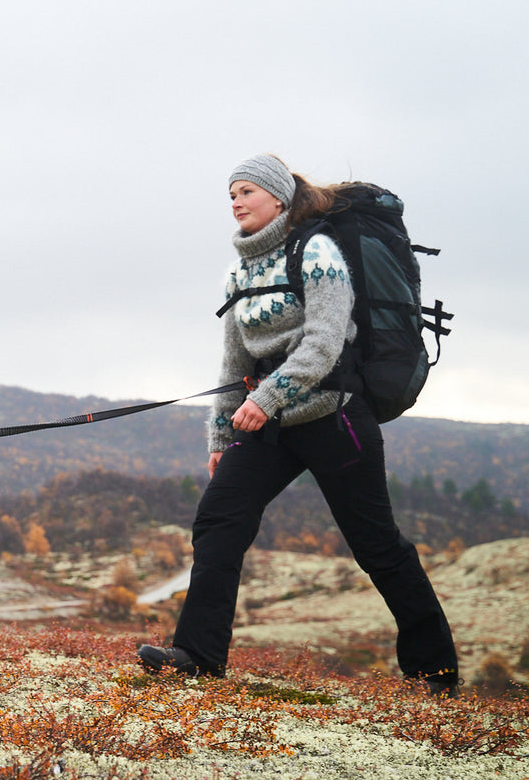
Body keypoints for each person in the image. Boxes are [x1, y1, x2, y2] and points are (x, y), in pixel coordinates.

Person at [137, 154, 459, 694]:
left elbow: (325, 342)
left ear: (279, 198)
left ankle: (435, 673)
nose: (236, 202)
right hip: (269, 423)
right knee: (219, 521)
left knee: (377, 546)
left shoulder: (317, 252)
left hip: (334, 417)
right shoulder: (240, 272)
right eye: (231, 195)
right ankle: (198, 654)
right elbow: (233, 363)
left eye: (246, 192)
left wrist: (265, 401)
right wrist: (221, 436)